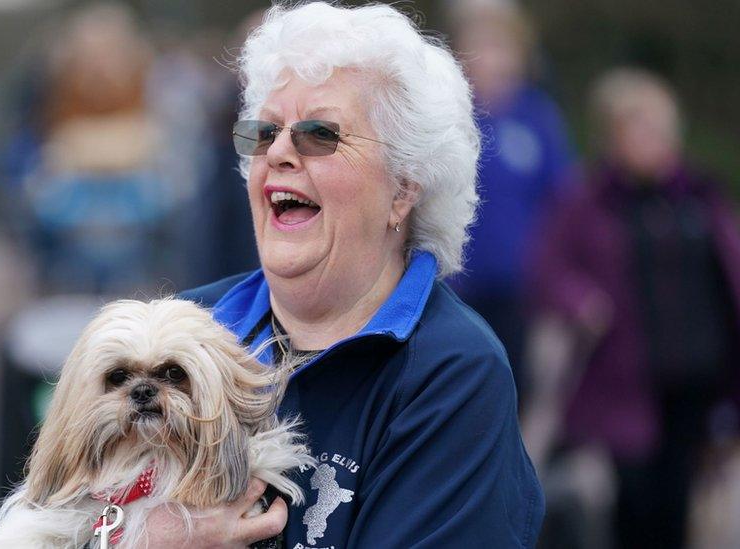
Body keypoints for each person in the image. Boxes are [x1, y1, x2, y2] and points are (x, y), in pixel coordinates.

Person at [153, 3, 544, 547]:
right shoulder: (177, 333)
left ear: (404, 189)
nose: (281, 152)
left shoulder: (451, 373)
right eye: (265, 133)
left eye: (320, 134)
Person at [525, 68, 740, 548]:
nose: (651, 141)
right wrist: (581, 301)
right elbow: (546, 270)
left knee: (682, 493)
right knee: (632, 494)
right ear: (612, 136)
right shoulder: (586, 199)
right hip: (625, 378)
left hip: (697, 374)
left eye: (659, 129)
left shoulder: (700, 195)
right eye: (637, 129)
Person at [446, 0, 574, 395]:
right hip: (454, 283)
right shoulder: (446, 114)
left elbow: (565, 203)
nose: (489, 58)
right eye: (478, 46)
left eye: (499, 46)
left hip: (522, 289)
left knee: (517, 387)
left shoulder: (538, 117)